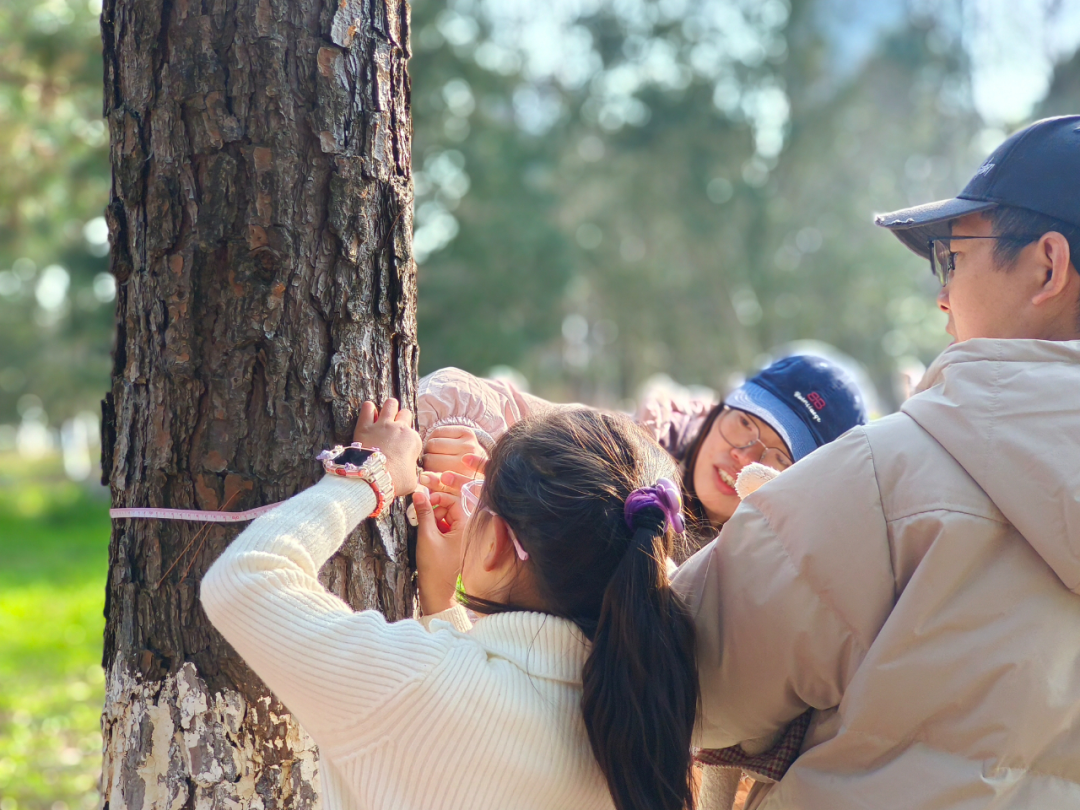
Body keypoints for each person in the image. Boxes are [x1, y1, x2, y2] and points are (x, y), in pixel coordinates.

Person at [672, 114, 1080, 809]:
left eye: (952, 256)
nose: (941, 293)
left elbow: (680, 680)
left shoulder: (887, 480)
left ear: (1047, 265)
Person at [201, 399, 700, 810]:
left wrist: (369, 472)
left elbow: (244, 579)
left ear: (499, 543)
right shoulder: (651, 710)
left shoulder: (421, 684)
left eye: (480, 498)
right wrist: (443, 607)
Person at [416, 353, 868, 546]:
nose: (744, 457)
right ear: (718, 411)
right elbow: (458, 396)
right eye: (744, 424)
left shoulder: (769, 579)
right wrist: (487, 454)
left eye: (778, 458)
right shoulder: (626, 454)